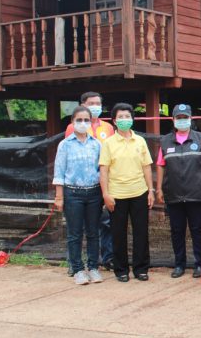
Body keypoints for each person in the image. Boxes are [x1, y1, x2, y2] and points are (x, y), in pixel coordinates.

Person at [156, 104, 201, 279]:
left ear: (191, 119)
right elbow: (160, 165)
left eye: (185, 117)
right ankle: (179, 265)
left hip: (196, 193)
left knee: (198, 229)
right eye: (179, 118)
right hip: (173, 194)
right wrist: (159, 188)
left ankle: (200, 264)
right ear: (173, 120)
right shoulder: (165, 141)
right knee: (177, 231)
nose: (182, 120)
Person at [99, 103, 155, 282]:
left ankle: (141, 268)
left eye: (127, 116)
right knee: (118, 234)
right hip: (117, 195)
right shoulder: (108, 143)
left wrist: (151, 190)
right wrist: (106, 194)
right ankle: (121, 269)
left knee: (141, 232)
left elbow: (147, 167)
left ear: (132, 119)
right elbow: (104, 171)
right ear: (114, 121)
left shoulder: (140, 141)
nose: (125, 120)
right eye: (121, 117)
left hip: (139, 192)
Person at [64, 91, 115, 272]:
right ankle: (74, 263)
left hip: (102, 183)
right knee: (76, 228)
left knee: (106, 223)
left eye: (98, 104)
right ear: (82, 105)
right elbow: (68, 155)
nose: (95, 107)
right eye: (91, 103)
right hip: (78, 187)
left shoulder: (108, 128)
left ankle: (107, 258)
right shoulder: (72, 128)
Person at [53, 106, 103, 286]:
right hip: (73, 193)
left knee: (93, 232)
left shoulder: (97, 144)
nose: (83, 123)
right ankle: (77, 269)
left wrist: (105, 193)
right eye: (79, 120)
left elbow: (102, 170)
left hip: (94, 192)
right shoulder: (65, 145)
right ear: (72, 122)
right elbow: (59, 171)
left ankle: (93, 267)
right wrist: (59, 197)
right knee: (74, 234)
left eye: (86, 120)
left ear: (91, 122)